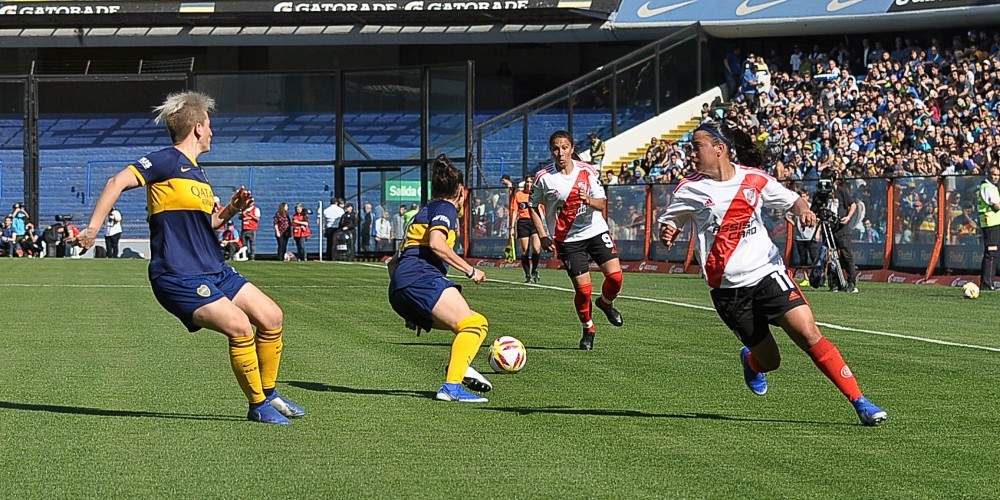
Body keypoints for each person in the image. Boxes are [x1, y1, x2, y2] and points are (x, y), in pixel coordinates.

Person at [72, 90, 305, 425]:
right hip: (178, 274)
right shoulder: (165, 160)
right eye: (209, 125)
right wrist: (93, 229)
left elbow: (206, 224)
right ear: (197, 128)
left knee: (272, 316)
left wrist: (231, 210)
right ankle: (258, 405)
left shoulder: (198, 174)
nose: (213, 132)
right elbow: (116, 182)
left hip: (213, 268)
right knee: (240, 327)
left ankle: (269, 393)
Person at [657, 120, 887, 426]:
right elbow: (670, 222)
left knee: (809, 333)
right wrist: (668, 230)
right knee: (770, 361)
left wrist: (803, 211)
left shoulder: (754, 179)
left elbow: (794, 201)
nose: (691, 153)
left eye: (697, 146)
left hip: (768, 273)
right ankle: (751, 362)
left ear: (720, 149)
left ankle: (860, 401)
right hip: (728, 290)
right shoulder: (690, 189)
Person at [387, 154, 493, 403]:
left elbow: (393, 262)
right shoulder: (446, 208)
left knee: (466, 325)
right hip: (421, 278)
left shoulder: (423, 211)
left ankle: (460, 368)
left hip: (400, 287)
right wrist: (470, 270)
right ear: (461, 192)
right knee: (475, 325)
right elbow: (436, 243)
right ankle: (452, 385)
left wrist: (408, 308)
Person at [530, 130, 624, 350]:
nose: (560, 153)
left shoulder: (588, 171)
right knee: (583, 291)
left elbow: (601, 204)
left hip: (595, 230)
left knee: (616, 278)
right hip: (568, 240)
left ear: (572, 148)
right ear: (550, 150)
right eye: (555, 148)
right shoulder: (543, 178)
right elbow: (533, 207)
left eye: (564, 147)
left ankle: (606, 304)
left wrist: (588, 200)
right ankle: (588, 328)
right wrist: (543, 235)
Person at [511, 175, 541, 283]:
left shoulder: (537, 194)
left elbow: (543, 210)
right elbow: (514, 211)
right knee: (525, 251)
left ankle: (535, 270)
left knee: (537, 248)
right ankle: (527, 274)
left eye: (530, 182)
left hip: (535, 222)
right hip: (523, 222)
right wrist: (512, 227)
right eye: (527, 182)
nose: (528, 184)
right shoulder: (519, 195)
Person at [978, 166, 1000, 290]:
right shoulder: (988, 187)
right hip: (991, 223)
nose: (996, 177)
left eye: (998, 175)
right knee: (991, 253)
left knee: (992, 253)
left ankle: (987, 282)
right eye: (994, 174)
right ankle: (987, 284)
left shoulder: (991, 187)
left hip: (994, 223)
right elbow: (996, 206)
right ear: (988, 174)